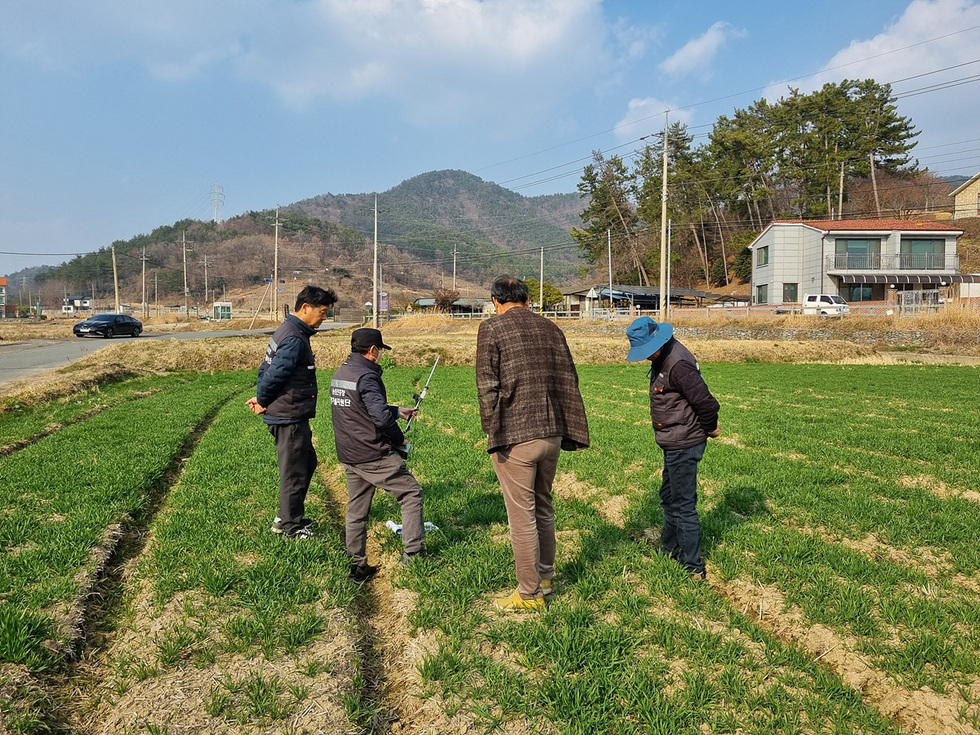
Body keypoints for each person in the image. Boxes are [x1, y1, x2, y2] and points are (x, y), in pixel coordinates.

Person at [476, 276, 590, 611]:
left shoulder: (492, 329)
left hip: (516, 437)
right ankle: (545, 576)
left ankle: (528, 594)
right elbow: (570, 377)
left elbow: (487, 386)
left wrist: (491, 430)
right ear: (527, 300)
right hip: (552, 433)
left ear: (496, 301)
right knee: (543, 505)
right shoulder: (552, 329)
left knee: (521, 516)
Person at [626, 316, 720, 580]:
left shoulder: (678, 364)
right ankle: (669, 549)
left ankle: (692, 567)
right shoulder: (663, 358)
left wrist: (711, 428)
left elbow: (706, 403)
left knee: (683, 504)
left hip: (684, 442)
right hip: (674, 440)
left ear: (659, 341)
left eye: (647, 351)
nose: (645, 357)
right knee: (670, 496)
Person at [330, 328, 427, 582]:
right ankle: (414, 554)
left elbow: (360, 409)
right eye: (380, 350)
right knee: (411, 492)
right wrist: (399, 440)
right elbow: (379, 417)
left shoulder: (342, 373)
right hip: (372, 453)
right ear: (373, 350)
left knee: (357, 510)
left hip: (350, 454)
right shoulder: (367, 376)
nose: (381, 354)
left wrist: (397, 411)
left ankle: (357, 566)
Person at [246, 285, 338, 540]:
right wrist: (263, 398)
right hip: (289, 415)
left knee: (306, 463)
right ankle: (290, 527)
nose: (324, 318)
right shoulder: (295, 337)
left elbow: (264, 369)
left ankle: (287, 514)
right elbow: (274, 373)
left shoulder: (288, 331)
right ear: (305, 308)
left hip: (290, 412)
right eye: (322, 312)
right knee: (295, 471)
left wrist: (262, 396)